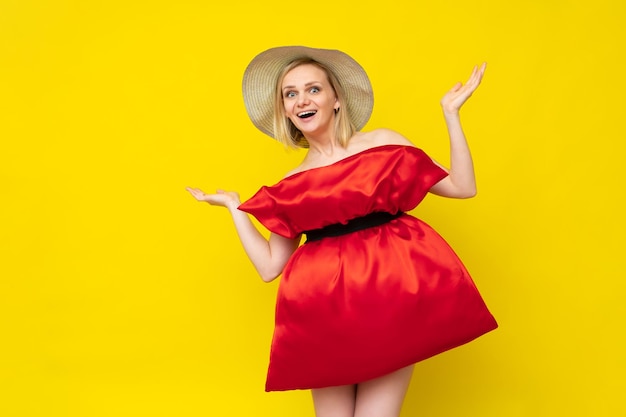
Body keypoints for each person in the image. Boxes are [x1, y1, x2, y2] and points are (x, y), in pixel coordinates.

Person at [187, 46, 497, 417]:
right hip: (320, 309)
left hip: (389, 297)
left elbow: (462, 186)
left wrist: (451, 115)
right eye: (291, 93)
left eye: (313, 89)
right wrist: (235, 209)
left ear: (336, 98)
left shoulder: (384, 143)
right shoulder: (290, 183)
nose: (302, 99)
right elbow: (270, 267)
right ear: (285, 110)